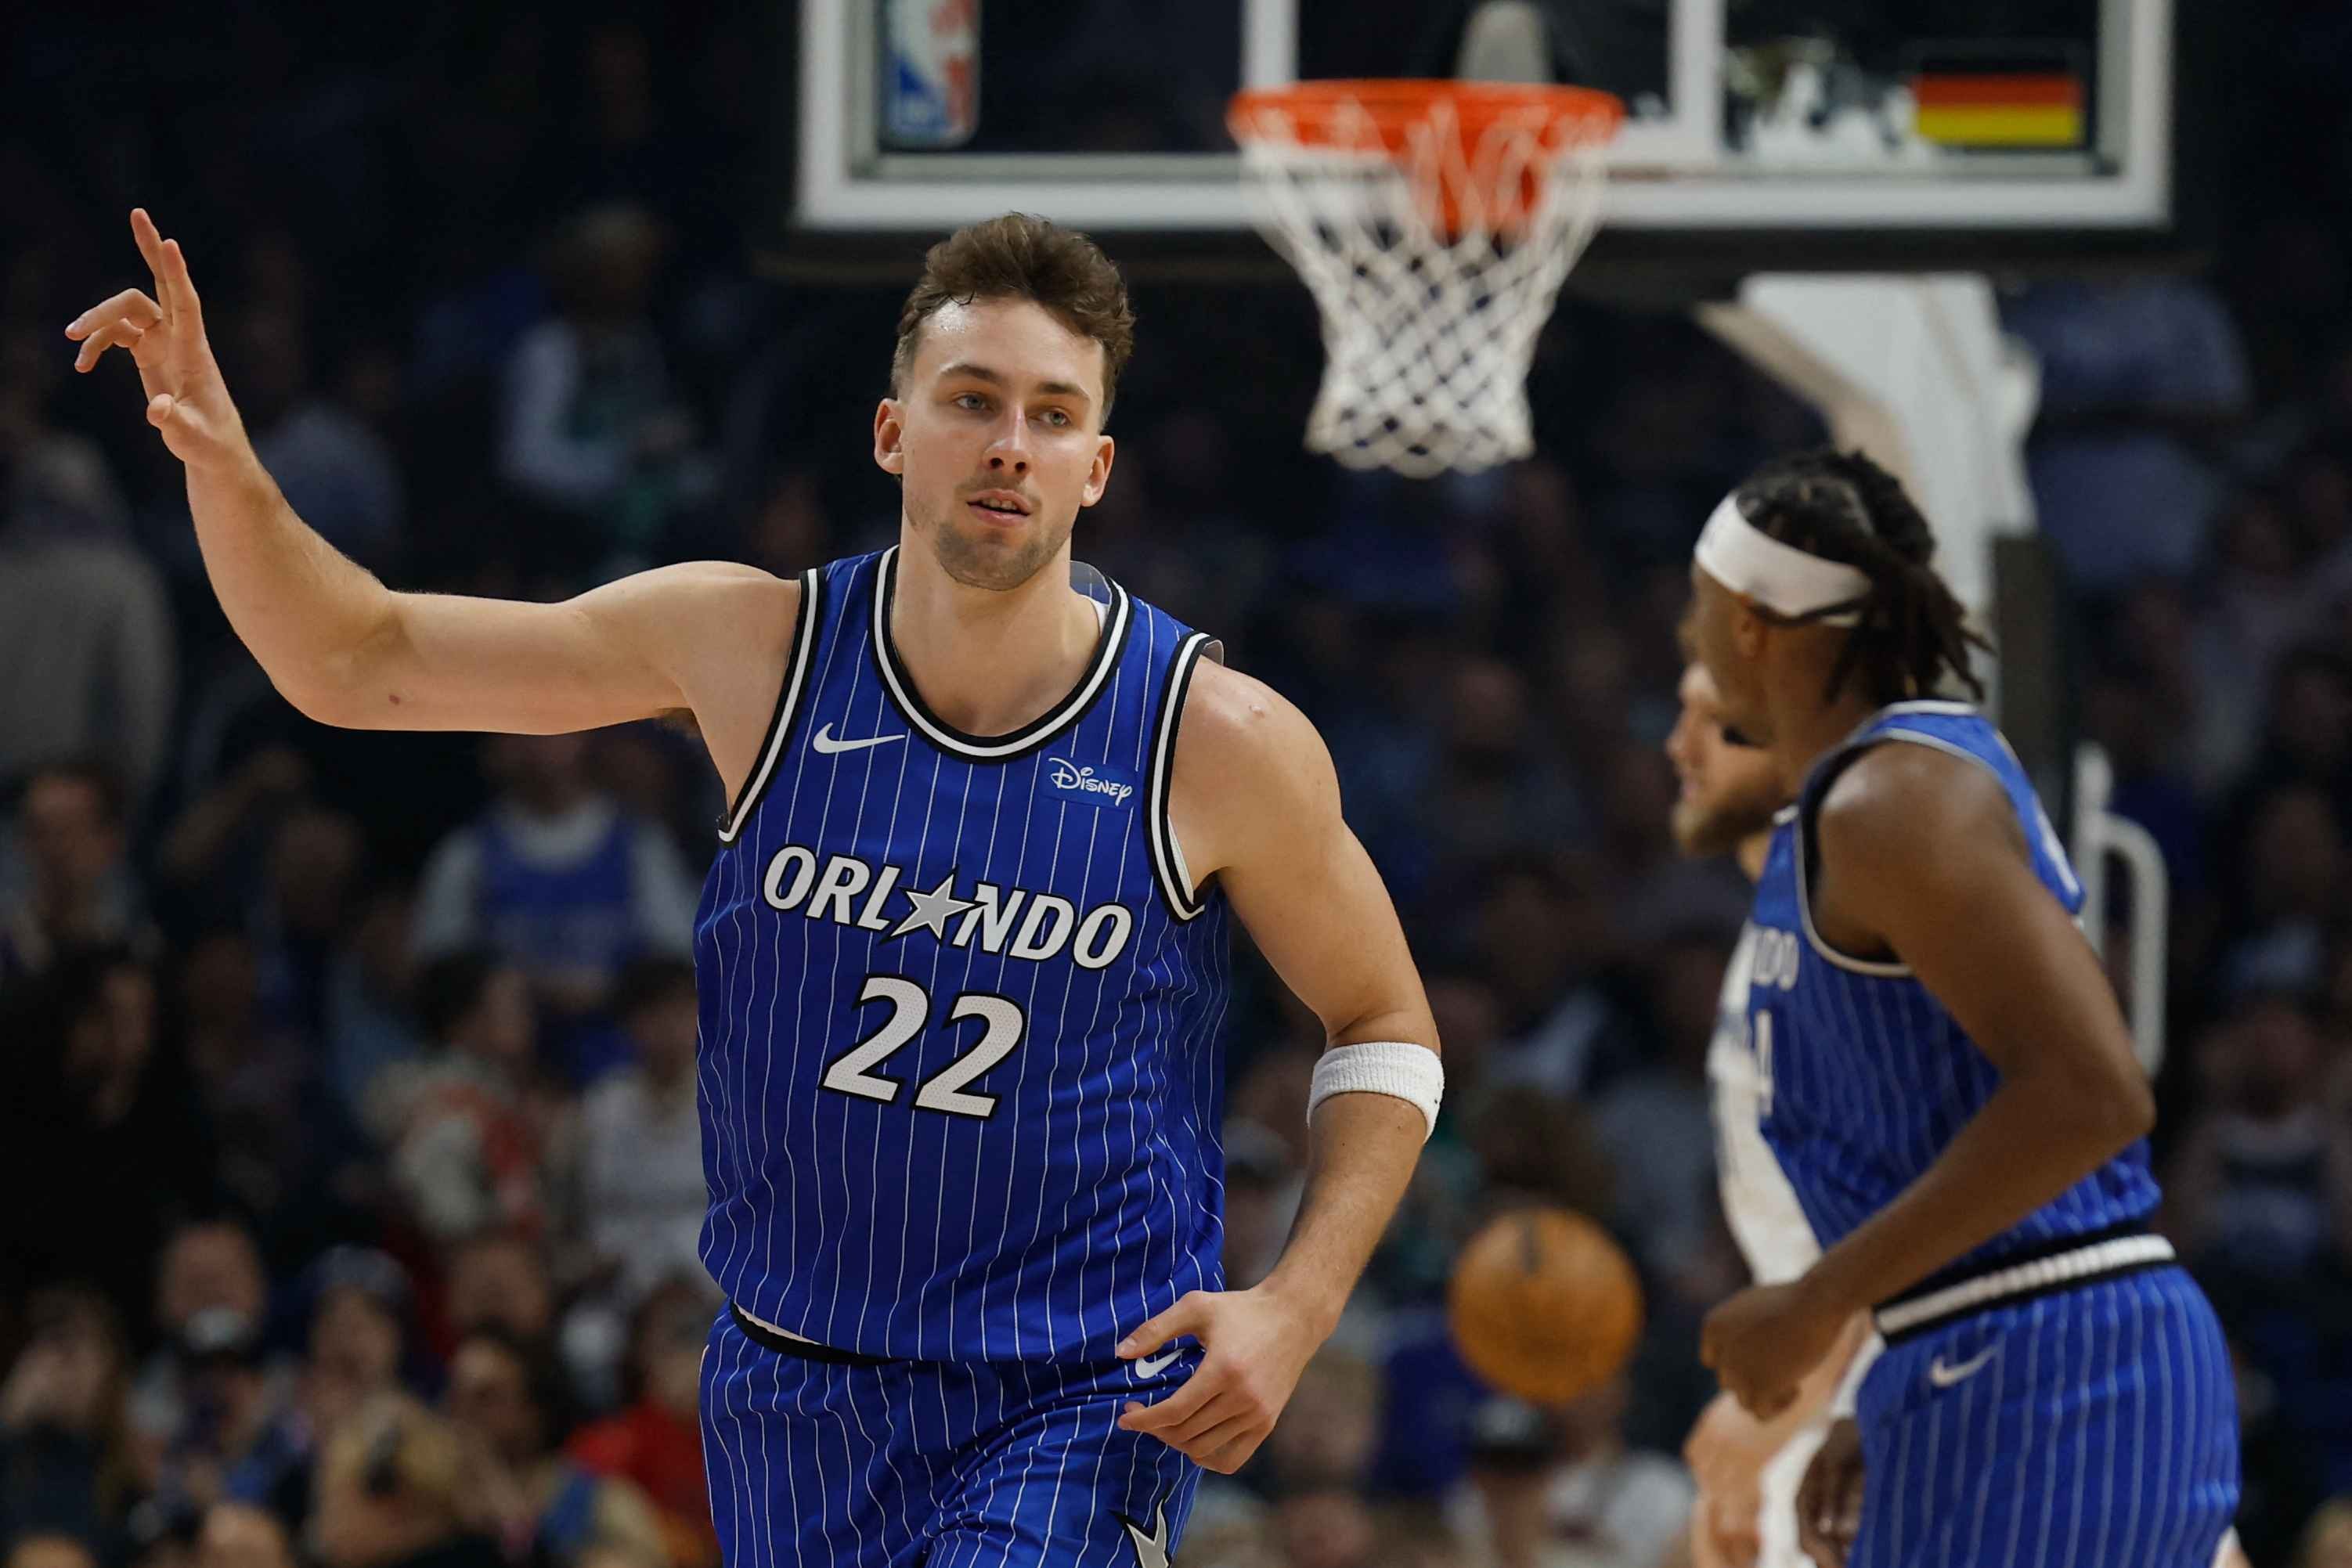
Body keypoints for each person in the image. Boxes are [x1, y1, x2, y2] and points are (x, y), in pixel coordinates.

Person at [71, 207, 1442, 1564]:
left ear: (1095, 466)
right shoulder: (750, 651)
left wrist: (1296, 1305)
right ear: (892, 430)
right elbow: (351, 657)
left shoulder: (1212, 738)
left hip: (1075, 1387)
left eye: (1049, 411)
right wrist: (221, 463)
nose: (1008, 441)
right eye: (971, 399)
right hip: (791, 1380)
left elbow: (1382, 1021)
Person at [1683, 450, 2240, 1565]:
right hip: (1968, 1346)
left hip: (2058, 1355)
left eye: (1697, 613)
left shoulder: (1900, 794)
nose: (1693, 644)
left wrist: (1819, 1300)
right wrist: (1882, 1371)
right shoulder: (1844, 807)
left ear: (1747, 620)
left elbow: (2096, 1090)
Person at [1661, 654, 1871, 1568]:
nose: (1678, 747)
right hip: (1837, 1387)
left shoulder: (1841, 923)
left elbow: (1934, 1198)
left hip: (1901, 1384)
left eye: (1713, 719)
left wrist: (1773, 1410)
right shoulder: (1778, 922)